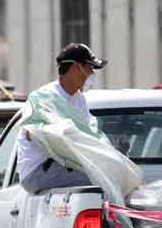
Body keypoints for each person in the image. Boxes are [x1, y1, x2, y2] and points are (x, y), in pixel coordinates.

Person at [16, 43, 107, 193]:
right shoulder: (43, 97)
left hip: (64, 165)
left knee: (109, 174)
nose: (91, 73)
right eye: (89, 68)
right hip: (38, 171)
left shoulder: (79, 99)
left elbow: (88, 132)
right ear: (76, 67)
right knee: (100, 180)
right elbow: (30, 133)